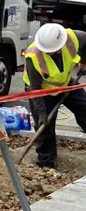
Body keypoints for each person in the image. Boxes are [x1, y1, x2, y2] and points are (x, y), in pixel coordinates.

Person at [22, 22, 86, 169]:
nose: (48, 53)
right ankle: (46, 162)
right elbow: (35, 90)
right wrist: (42, 114)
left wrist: (83, 62)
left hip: (64, 83)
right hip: (42, 91)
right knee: (45, 126)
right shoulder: (33, 57)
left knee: (84, 107)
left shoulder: (72, 38)